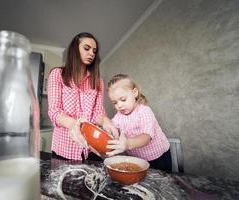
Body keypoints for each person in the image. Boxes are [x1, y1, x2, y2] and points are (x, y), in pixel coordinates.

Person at [47, 32, 118, 161]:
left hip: (91, 150)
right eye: (87, 48)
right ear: (75, 49)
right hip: (63, 150)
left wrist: (106, 121)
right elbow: (54, 111)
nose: (91, 53)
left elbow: (98, 112)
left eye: (94, 51)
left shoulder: (98, 81)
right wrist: (76, 124)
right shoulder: (57, 74)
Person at [106, 74, 172, 172]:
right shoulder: (119, 116)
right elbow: (111, 128)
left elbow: (146, 137)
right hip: (139, 160)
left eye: (123, 99)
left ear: (135, 93)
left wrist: (127, 144)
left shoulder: (144, 111)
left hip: (159, 158)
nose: (119, 105)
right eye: (115, 102)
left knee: (160, 183)